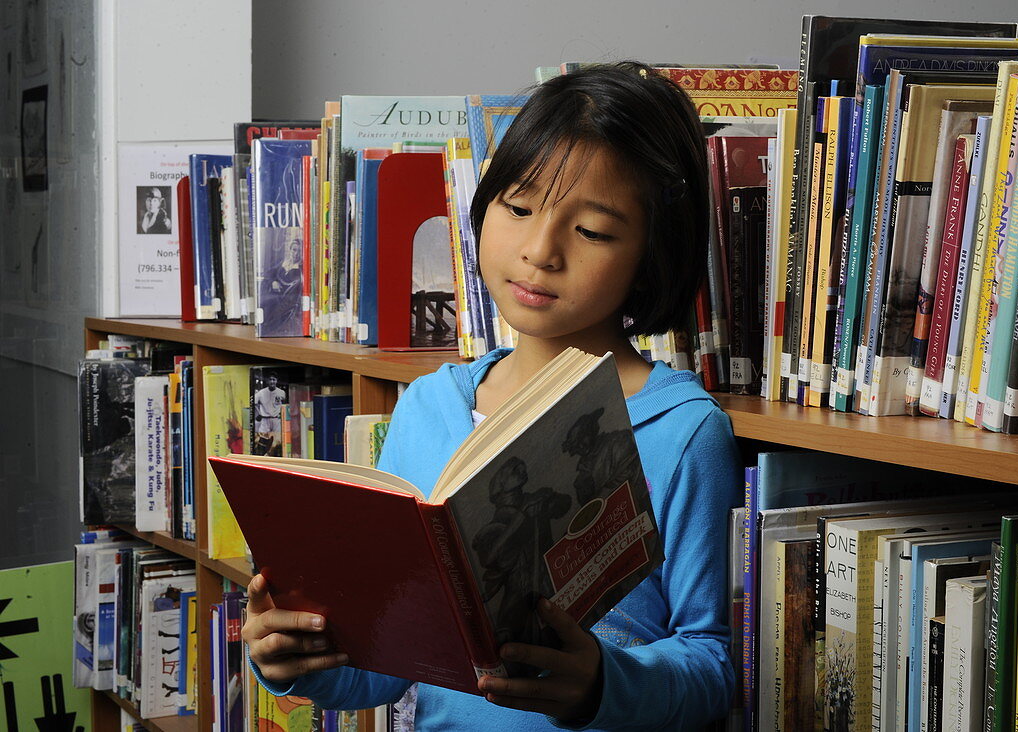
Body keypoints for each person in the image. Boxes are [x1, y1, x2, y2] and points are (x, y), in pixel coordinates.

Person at [243, 61, 740, 730]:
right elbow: (388, 666)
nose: (540, 250)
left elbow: (711, 666)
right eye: (519, 206)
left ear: (653, 255)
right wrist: (300, 659)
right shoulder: (426, 406)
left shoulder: (683, 431)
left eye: (592, 231)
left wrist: (601, 683)